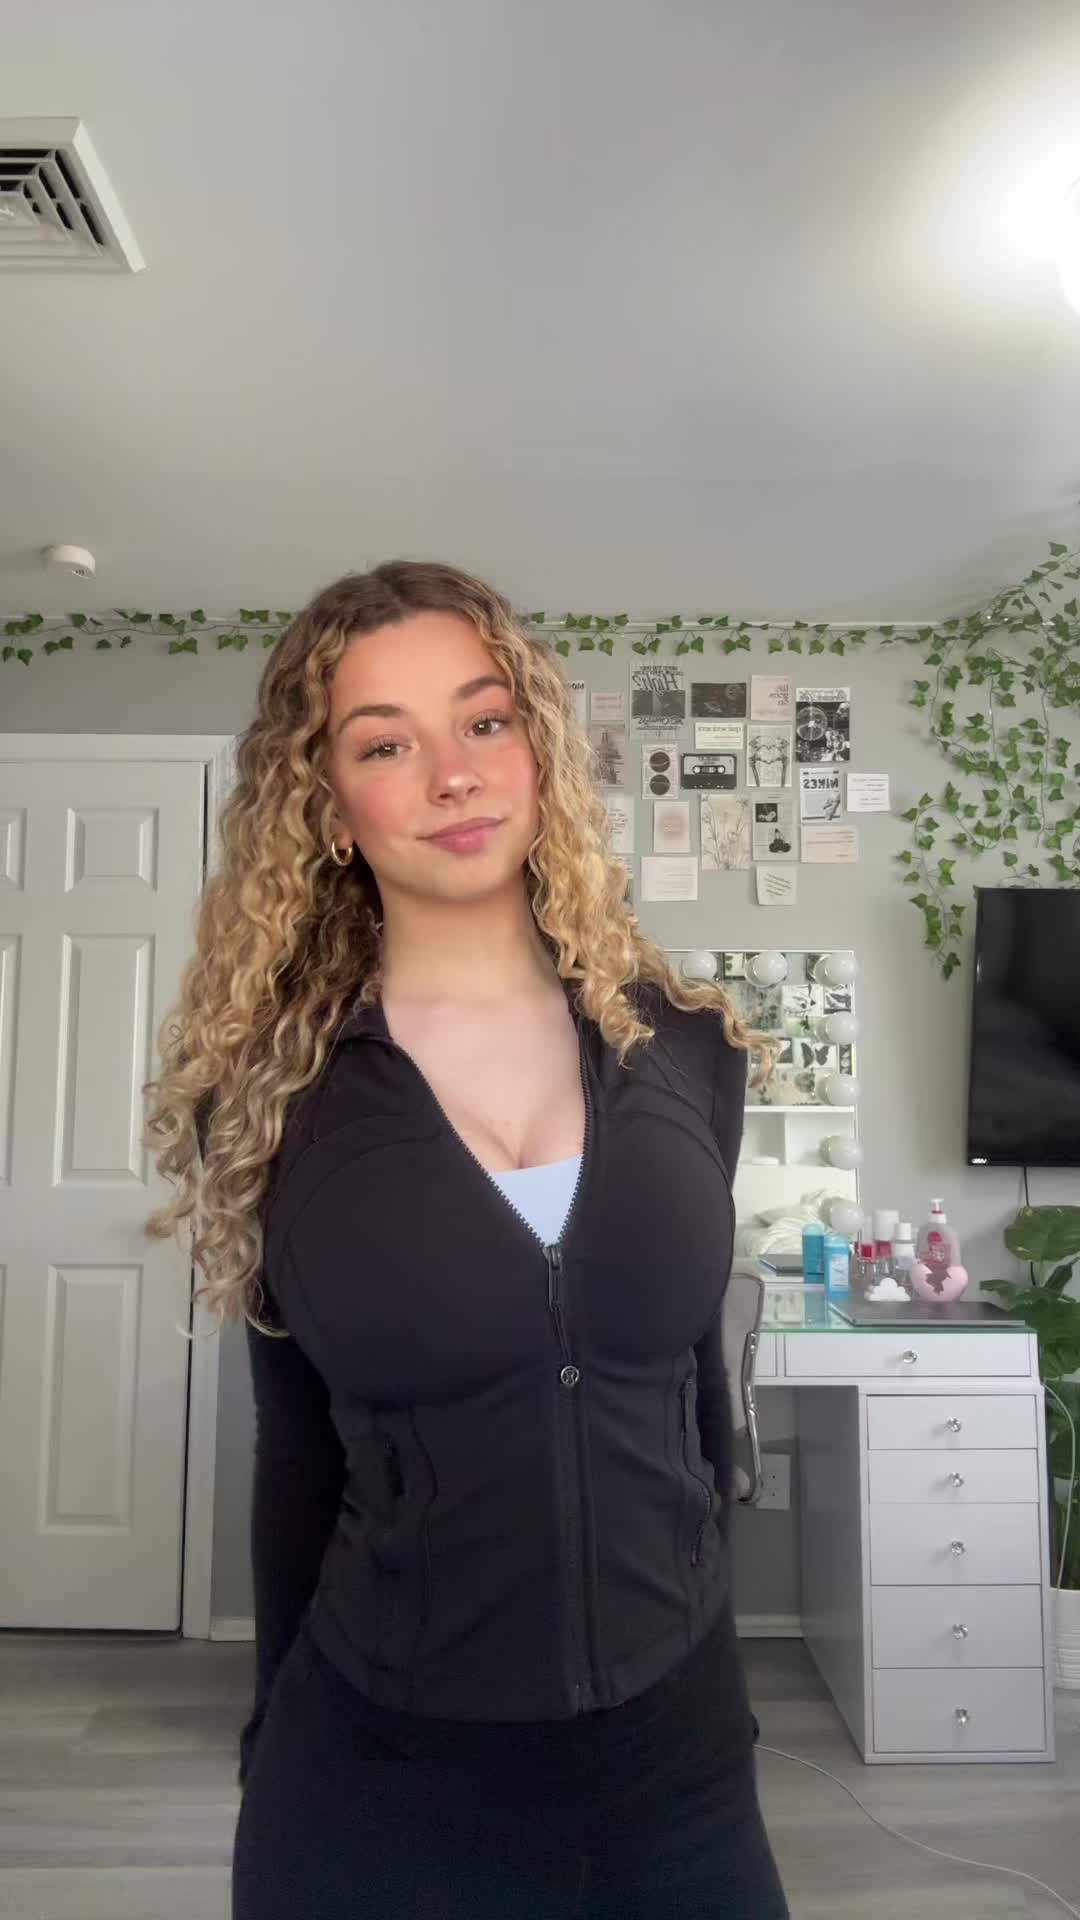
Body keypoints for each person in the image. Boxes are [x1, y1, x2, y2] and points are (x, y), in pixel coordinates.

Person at [145, 560, 788, 1919]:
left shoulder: (687, 1049)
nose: (453, 775)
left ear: (539, 751)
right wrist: (267, 1736)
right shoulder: (264, 1099)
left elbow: (694, 1413)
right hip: (381, 1780)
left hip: (679, 1773)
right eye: (386, 744)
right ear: (327, 803)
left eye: (486, 721)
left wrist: (717, 1700)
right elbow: (297, 1445)